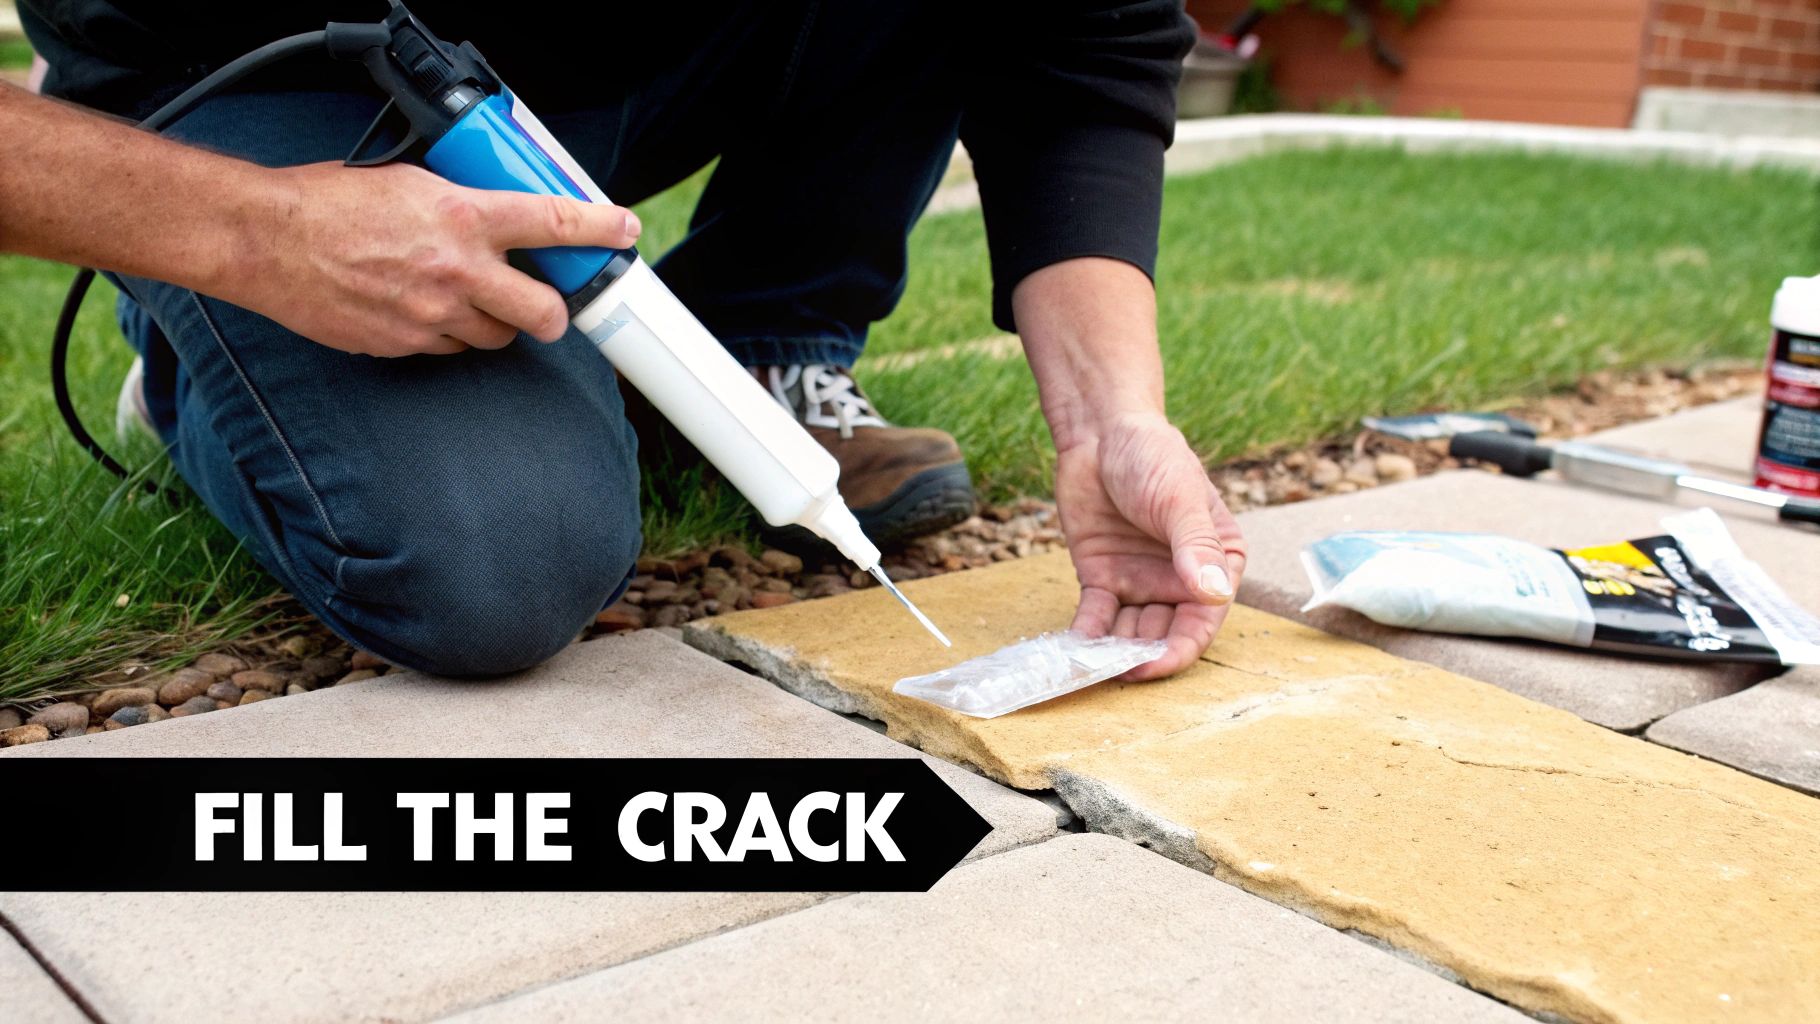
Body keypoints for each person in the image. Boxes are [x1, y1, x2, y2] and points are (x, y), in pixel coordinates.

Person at [3, 1, 1247, 679]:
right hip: (261, 70)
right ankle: (207, 370)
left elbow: (1078, 35)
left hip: (642, 54)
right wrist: (253, 234)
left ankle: (749, 357)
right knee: (496, 566)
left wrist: (1111, 421)